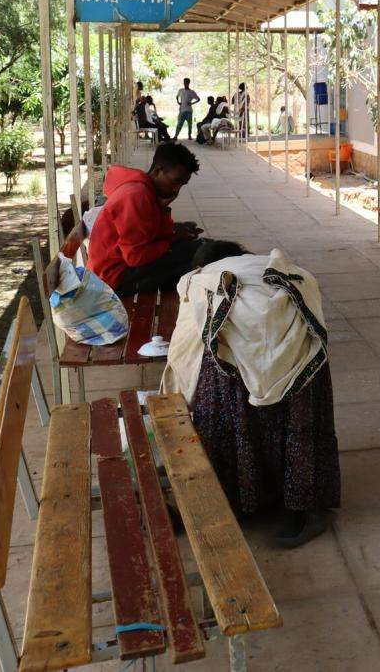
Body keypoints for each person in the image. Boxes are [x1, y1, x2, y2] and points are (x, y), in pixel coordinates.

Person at [163, 241, 339, 549]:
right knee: (298, 425)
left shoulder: (199, 280)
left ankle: (237, 499)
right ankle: (305, 507)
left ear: (203, 264)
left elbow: (183, 347)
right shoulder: (290, 273)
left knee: (223, 412)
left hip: (230, 371)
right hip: (299, 363)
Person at [87, 142, 204, 296]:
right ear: (158, 170)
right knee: (200, 258)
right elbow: (135, 257)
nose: (177, 190)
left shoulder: (144, 189)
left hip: (119, 268)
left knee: (193, 247)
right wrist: (170, 242)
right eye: (175, 181)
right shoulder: (136, 195)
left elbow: (152, 233)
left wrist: (163, 211)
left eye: (182, 184)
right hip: (114, 279)